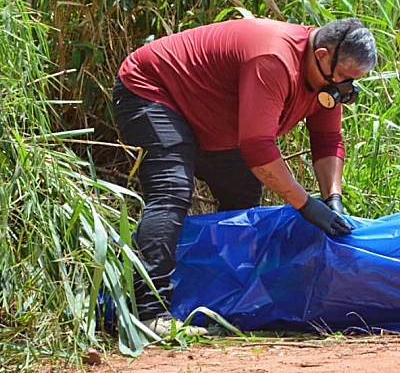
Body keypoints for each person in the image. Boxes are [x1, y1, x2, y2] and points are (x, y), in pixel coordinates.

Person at [112, 17, 376, 337]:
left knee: (242, 195)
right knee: (172, 191)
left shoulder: (328, 80)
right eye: (345, 78)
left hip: (209, 112)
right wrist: (305, 204)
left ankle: (217, 301)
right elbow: (257, 149)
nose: (345, 90)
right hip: (153, 89)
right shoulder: (274, 60)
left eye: (353, 82)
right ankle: (149, 314)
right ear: (322, 54)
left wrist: (332, 199)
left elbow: (327, 140)